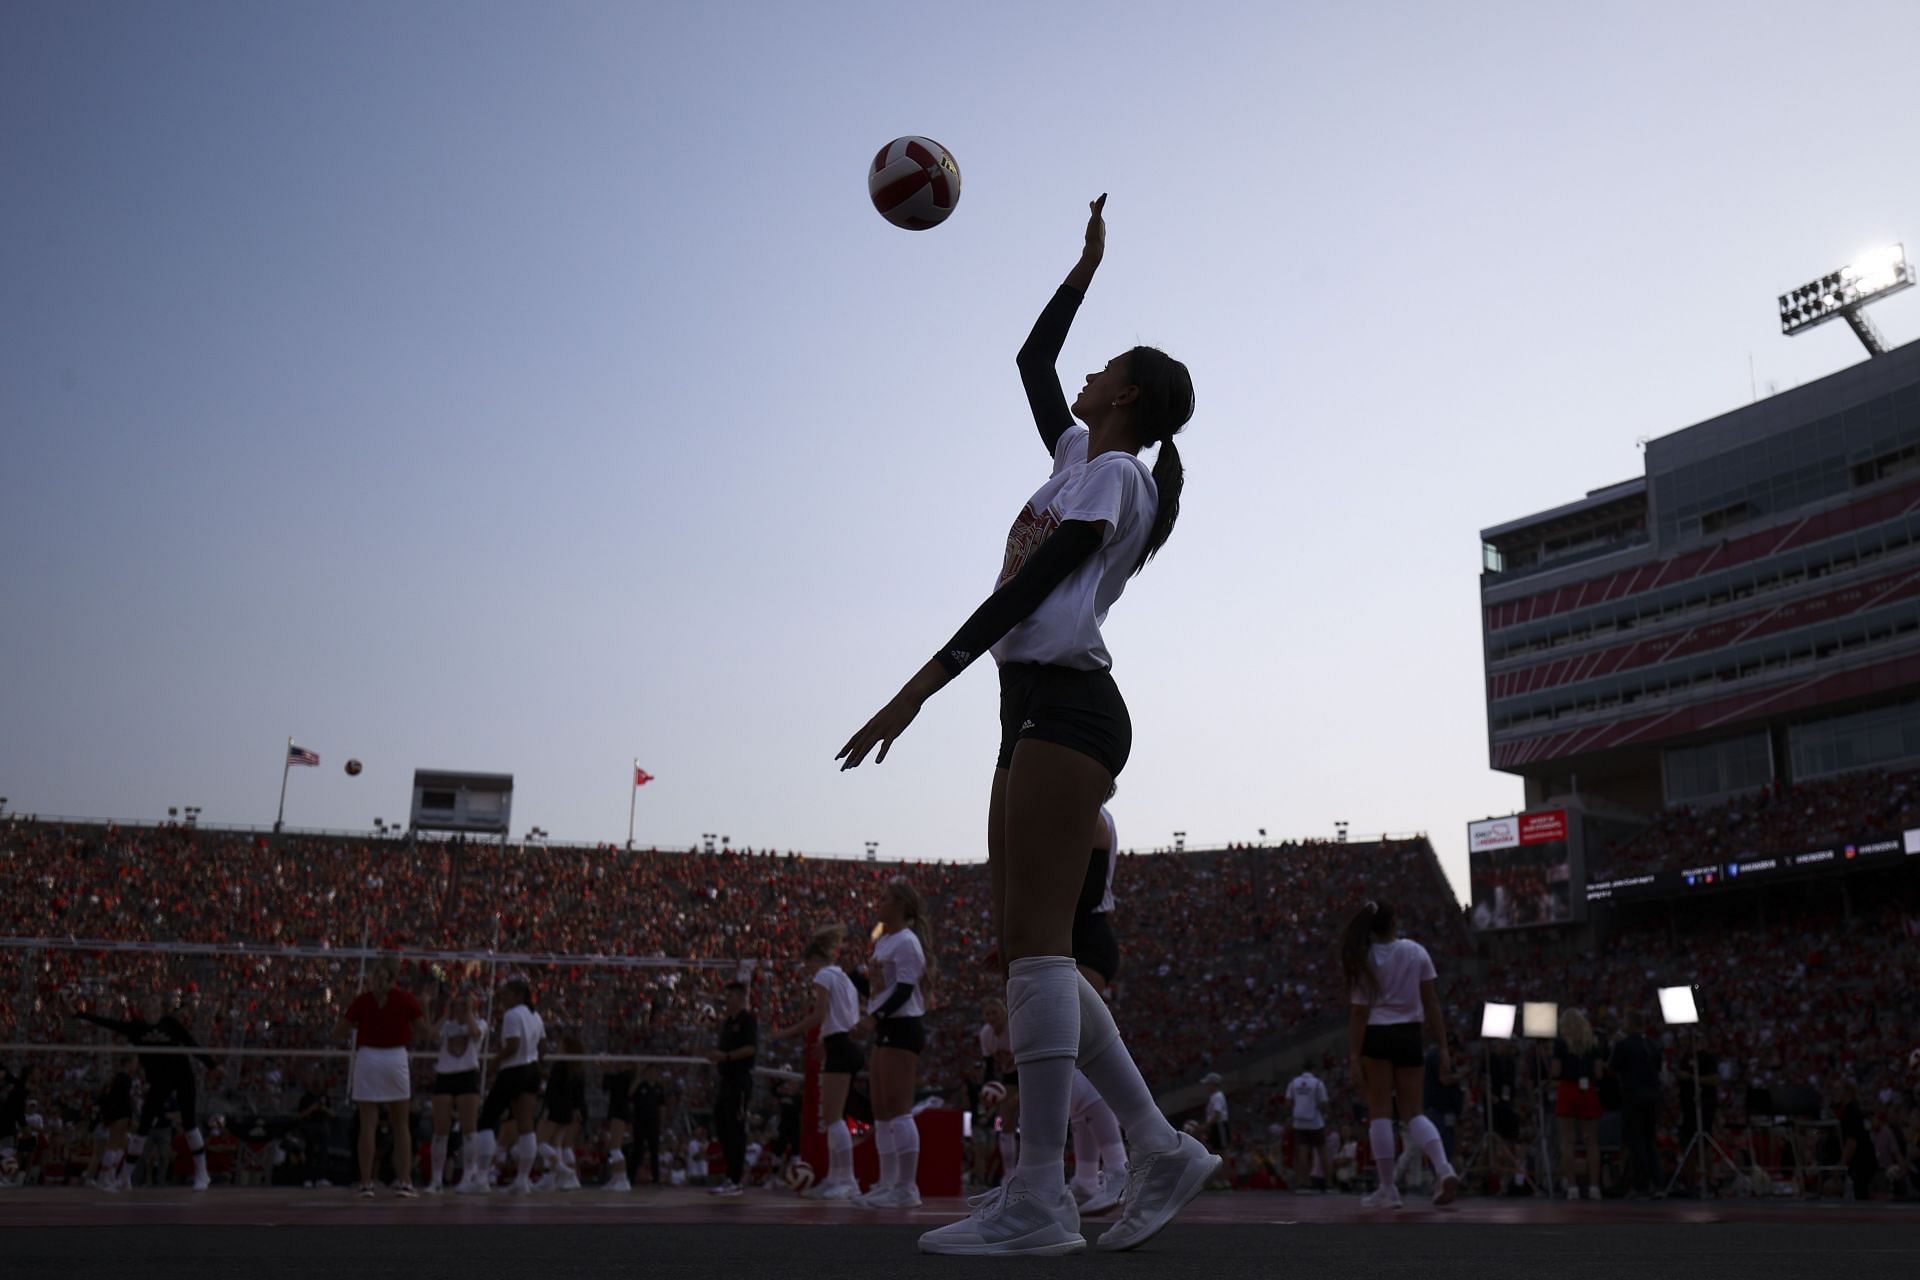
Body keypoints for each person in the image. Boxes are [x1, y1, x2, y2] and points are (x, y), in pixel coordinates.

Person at [839, 195, 1210, 1257]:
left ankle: (1044, 1194)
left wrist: (921, 680)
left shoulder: (1118, 473)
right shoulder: (1070, 456)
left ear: (1130, 394)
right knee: (1026, 951)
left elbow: (1042, 576)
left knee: (1038, 953)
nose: (1084, 374)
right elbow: (1031, 360)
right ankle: (1153, 1142)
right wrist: (1084, 267)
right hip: (1031, 705)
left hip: (1068, 699)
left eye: (1104, 368)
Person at [1343, 899, 1459, 1209]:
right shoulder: (1416, 951)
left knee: (1380, 1113)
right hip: (1410, 1034)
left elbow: (1358, 1013)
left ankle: (1388, 1188)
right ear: (1394, 921)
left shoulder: (1365, 958)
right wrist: (1444, 1047)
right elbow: (1432, 1002)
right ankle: (1444, 1169)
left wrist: (1354, 1057)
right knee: (1414, 1114)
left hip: (1377, 1035)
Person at [73, 995, 219, 1191]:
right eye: (147, 1008)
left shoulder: (170, 1024)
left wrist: (212, 1065)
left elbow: (192, 1043)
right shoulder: (137, 1028)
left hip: (182, 1075)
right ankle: (124, 1177)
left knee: (189, 1123)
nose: (151, 1012)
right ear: (142, 1011)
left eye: (154, 1007)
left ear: (160, 1008)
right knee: (143, 1128)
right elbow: (111, 1024)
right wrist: (83, 1015)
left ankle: (202, 1174)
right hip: (159, 1081)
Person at [766, 923, 865, 1198]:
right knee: (835, 1117)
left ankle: (846, 1179)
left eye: (807, 966)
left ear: (814, 959)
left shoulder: (823, 975)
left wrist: (784, 1032)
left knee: (833, 1118)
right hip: (842, 1043)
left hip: (839, 1046)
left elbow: (819, 1014)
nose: (808, 972)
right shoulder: (844, 978)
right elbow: (844, 1018)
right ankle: (837, 1177)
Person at [851, 881, 932, 1210]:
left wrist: (874, 1016)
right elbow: (878, 985)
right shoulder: (884, 940)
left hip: (902, 1025)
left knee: (898, 1108)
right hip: (886, 1023)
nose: (878, 904)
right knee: (881, 1110)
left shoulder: (907, 942)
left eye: (884, 899)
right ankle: (887, 1182)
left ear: (900, 905)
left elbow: (904, 989)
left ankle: (907, 1186)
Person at [1067, 799, 1128, 1216]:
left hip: (1086, 936)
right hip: (1081, 935)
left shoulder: (1091, 817)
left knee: (1076, 1059)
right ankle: (1087, 1177)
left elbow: (1083, 891)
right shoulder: (1085, 815)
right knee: (1074, 1063)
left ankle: (1120, 1167)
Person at [336, 960, 430, 1198]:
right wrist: (426, 1008)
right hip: (395, 1057)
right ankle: (405, 1181)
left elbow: (339, 1033)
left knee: (368, 1124)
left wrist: (345, 1009)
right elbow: (424, 1032)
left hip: (368, 1058)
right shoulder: (405, 999)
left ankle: (366, 1182)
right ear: (394, 978)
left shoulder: (363, 1001)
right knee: (401, 1125)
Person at [459, 975, 544, 1195]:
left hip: (514, 1069)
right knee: (526, 1124)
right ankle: (522, 1179)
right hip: (531, 1068)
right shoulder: (536, 1016)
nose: (502, 998)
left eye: (506, 994)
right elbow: (542, 1045)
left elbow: (513, 1044)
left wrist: (496, 1060)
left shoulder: (512, 1015)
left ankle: (482, 1178)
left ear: (517, 995)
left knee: (487, 1118)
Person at [425, 989, 485, 1194]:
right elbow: (431, 1035)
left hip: (467, 1074)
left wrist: (468, 1012)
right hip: (445, 1074)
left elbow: (476, 1034)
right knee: (441, 1131)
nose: (459, 1008)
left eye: (463, 1004)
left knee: (469, 1130)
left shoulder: (480, 1023)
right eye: (456, 1004)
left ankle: (469, 1176)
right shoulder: (448, 1026)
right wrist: (445, 1014)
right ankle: (436, 1179)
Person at [706, 981, 757, 1197]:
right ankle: (730, 1177)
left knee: (736, 1128)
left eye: (730, 997)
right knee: (723, 1127)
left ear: (739, 997)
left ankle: (736, 1180)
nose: (726, 1001)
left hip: (740, 1080)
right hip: (725, 1080)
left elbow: (750, 1048)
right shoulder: (727, 1022)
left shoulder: (747, 1020)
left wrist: (726, 1056)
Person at [1550, 1008, 1605, 1200]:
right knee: (1592, 1142)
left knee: (1567, 1141)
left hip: (1567, 1089)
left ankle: (1572, 1187)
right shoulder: (1593, 1043)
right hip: (1587, 1089)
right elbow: (1599, 1074)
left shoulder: (1560, 1043)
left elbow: (1556, 1072)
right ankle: (1594, 1187)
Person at [1607, 1010, 1661, 1198]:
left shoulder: (1623, 1045)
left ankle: (1641, 1185)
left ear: (1630, 1024)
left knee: (1636, 1141)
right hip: (1652, 1097)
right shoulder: (1653, 1044)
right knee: (1649, 1140)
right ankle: (1657, 1182)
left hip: (1632, 1098)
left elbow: (1611, 1068)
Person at [532, 1031, 588, 1191]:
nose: (558, 1046)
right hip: (568, 1109)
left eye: (561, 1045)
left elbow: (553, 1090)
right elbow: (578, 1091)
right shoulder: (577, 1068)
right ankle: (551, 1178)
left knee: (539, 1142)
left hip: (556, 1107)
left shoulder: (560, 1065)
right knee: (556, 1142)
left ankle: (563, 1170)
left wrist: (547, 1108)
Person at [979, 998, 1020, 1187]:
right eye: (987, 1013)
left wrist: (1020, 1095)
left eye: (994, 1012)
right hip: (1009, 1078)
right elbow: (989, 1068)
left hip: (1028, 1072)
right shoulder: (986, 1034)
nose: (991, 1017)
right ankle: (1009, 1173)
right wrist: (987, 1090)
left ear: (1004, 1013)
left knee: (1030, 1122)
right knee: (1006, 1122)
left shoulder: (1015, 1029)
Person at [1285, 1064, 1330, 1193]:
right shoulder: (1317, 1083)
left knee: (1302, 1152)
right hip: (1315, 1122)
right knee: (1323, 1152)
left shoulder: (1294, 1083)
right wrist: (1327, 1115)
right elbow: (1324, 1103)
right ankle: (1330, 1184)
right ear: (1313, 1070)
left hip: (1299, 1122)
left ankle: (1304, 1183)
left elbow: (1288, 1102)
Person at [601, 1052, 635, 1192]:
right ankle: (616, 1177)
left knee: (615, 1147)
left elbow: (613, 1083)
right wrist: (606, 1070)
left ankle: (622, 1178)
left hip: (620, 1112)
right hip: (615, 1111)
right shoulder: (620, 1075)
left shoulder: (626, 1076)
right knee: (613, 1147)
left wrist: (607, 1069)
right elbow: (605, 1086)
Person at [631, 1065, 667, 1186]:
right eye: (650, 1071)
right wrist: (638, 1078)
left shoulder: (659, 1088)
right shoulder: (640, 1086)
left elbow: (662, 1107)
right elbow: (630, 1095)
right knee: (637, 1150)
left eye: (654, 1071)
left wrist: (661, 1124)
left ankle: (656, 1178)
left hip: (653, 1124)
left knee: (654, 1151)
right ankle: (631, 1177)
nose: (652, 1073)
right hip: (640, 1123)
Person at [1203, 1073, 1230, 1153]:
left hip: (1219, 1125)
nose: (1206, 1086)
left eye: (1208, 1084)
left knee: (1222, 1151)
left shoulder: (1217, 1096)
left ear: (1213, 1084)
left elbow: (1217, 1114)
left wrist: (1205, 1126)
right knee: (1216, 1150)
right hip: (1216, 1126)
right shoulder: (1214, 1096)